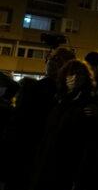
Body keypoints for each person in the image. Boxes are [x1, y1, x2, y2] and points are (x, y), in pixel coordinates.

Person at [6, 48, 75, 190]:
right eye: (50, 58)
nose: (51, 62)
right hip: (26, 151)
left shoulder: (68, 95)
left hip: (44, 156)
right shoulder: (35, 87)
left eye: (57, 60)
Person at [29, 60, 98, 190]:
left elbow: (87, 138)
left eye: (80, 74)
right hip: (48, 161)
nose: (75, 77)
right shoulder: (59, 99)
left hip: (68, 164)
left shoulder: (88, 102)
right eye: (72, 73)